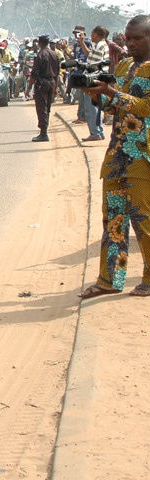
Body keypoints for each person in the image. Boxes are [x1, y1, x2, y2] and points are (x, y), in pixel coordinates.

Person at [79, 15, 150, 299]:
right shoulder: (123, 65)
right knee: (113, 220)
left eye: (137, 39)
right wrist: (97, 96)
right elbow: (112, 109)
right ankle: (110, 280)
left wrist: (113, 93)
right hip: (117, 154)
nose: (130, 43)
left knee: (143, 219)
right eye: (128, 38)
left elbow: (145, 107)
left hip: (143, 155)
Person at [78, 26, 110, 142]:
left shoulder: (100, 45)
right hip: (98, 78)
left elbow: (92, 64)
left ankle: (95, 132)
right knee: (95, 107)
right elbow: (89, 55)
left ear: (97, 34)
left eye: (92, 33)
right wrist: (82, 43)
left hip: (93, 79)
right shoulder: (100, 45)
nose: (90, 36)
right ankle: (98, 131)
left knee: (90, 107)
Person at [29, 34, 59, 142]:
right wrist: (55, 88)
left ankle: (43, 133)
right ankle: (44, 131)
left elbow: (34, 74)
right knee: (47, 108)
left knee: (41, 108)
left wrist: (28, 89)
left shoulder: (40, 55)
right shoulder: (54, 55)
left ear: (40, 43)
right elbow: (57, 74)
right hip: (51, 83)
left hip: (42, 84)